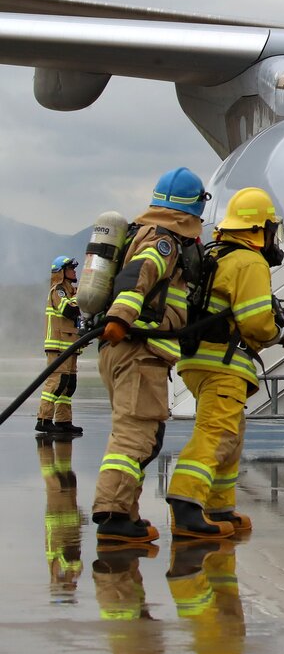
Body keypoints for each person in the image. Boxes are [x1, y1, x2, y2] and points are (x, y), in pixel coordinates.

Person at [166, 187, 284, 539]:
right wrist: (283, 330)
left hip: (201, 360)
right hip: (222, 364)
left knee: (231, 434)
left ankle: (219, 507)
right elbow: (256, 323)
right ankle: (185, 506)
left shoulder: (220, 254)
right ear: (259, 229)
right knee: (217, 433)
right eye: (271, 229)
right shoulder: (249, 261)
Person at [93, 167, 208, 545]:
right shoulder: (163, 242)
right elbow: (137, 278)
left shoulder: (144, 233)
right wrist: (120, 318)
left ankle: (126, 512)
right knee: (135, 436)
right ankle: (112, 515)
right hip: (138, 349)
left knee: (145, 435)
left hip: (129, 350)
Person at [36, 255, 83, 437]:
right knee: (56, 383)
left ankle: (63, 421)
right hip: (58, 347)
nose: (74, 271)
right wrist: (81, 297)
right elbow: (69, 311)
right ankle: (43, 420)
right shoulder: (59, 291)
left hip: (70, 346)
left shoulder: (72, 292)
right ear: (61, 272)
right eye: (71, 268)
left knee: (68, 385)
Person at [38, 437, 82, 601]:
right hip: (70, 519)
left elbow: (64, 558)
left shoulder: (55, 569)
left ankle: (44, 444)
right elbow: (76, 559)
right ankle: (59, 441)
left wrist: (61, 581)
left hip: (57, 518)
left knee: (57, 481)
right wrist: (73, 576)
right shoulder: (72, 571)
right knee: (68, 478)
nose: (73, 585)